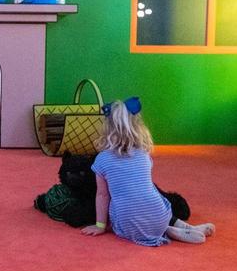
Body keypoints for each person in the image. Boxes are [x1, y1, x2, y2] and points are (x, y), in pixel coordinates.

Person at [80, 97, 214, 246]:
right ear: (138, 127)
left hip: (127, 226)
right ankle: (170, 229)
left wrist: (100, 226)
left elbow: (102, 195)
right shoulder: (143, 153)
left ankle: (168, 231)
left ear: (106, 129)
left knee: (118, 201)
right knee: (152, 191)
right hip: (159, 217)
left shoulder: (102, 159)